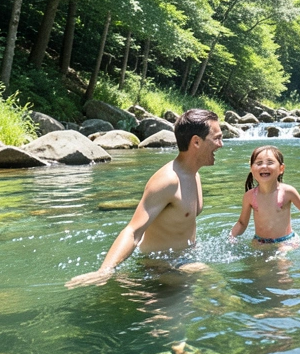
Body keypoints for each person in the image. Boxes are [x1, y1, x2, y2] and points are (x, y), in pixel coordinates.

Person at [65, 109, 224, 288]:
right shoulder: (168, 181)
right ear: (196, 141)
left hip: (183, 261)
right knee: (215, 284)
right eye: (217, 138)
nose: (221, 144)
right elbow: (133, 231)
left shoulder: (194, 175)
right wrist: (104, 272)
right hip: (158, 267)